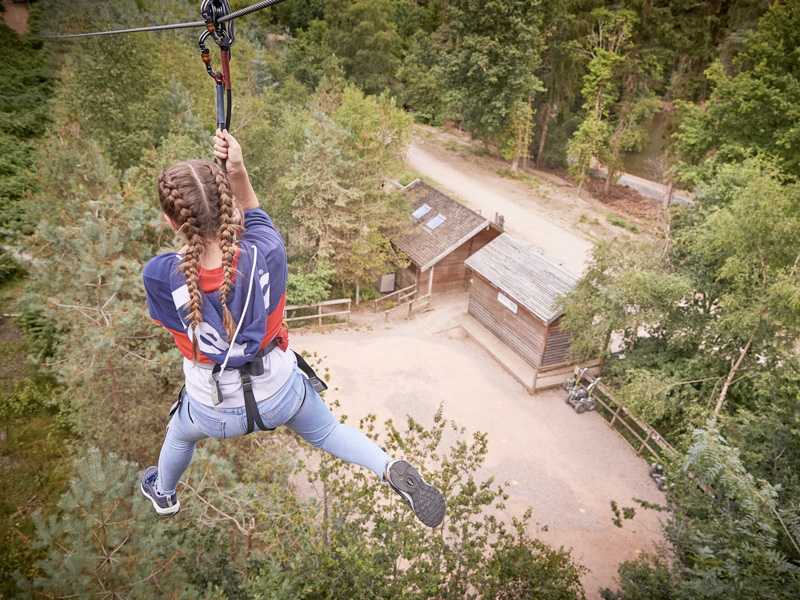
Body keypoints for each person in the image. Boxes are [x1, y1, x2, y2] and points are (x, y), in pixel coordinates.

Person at [139, 130, 445, 528]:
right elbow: (253, 213)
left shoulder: (160, 275)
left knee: (179, 435)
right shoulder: (266, 250)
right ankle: (387, 468)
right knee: (329, 432)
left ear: (171, 220)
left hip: (212, 410)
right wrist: (238, 170)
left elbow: (177, 319)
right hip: (279, 393)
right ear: (226, 206)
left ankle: (163, 493)